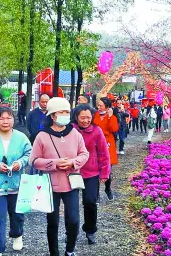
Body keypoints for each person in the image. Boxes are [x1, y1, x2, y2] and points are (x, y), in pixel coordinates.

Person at [30, 97, 89, 256]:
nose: (65, 115)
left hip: (71, 183)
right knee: (53, 222)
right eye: (62, 112)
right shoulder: (42, 136)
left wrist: (73, 163)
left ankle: (70, 249)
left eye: (67, 112)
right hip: (51, 185)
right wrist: (54, 163)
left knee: (74, 220)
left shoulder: (75, 133)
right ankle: (54, 252)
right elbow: (34, 160)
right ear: (53, 115)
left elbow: (84, 154)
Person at [0, 107, 31, 256]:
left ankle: (17, 234)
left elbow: (29, 153)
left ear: (13, 119)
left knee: (17, 215)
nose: (5, 121)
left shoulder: (21, 137)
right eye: (1, 118)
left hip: (16, 184)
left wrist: (20, 163)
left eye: (8, 118)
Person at [71, 104, 110, 245]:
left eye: (88, 117)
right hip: (73, 171)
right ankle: (71, 231)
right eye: (83, 118)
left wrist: (105, 172)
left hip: (91, 172)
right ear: (76, 117)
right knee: (71, 204)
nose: (86, 120)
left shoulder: (97, 131)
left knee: (90, 202)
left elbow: (104, 153)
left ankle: (90, 230)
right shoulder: (70, 130)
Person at [92, 97, 119, 200]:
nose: (99, 107)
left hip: (108, 143)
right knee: (96, 170)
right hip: (96, 143)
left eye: (101, 106)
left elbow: (114, 129)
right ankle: (96, 194)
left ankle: (108, 188)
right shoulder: (95, 115)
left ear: (107, 107)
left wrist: (110, 117)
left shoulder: (111, 117)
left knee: (107, 170)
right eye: (98, 105)